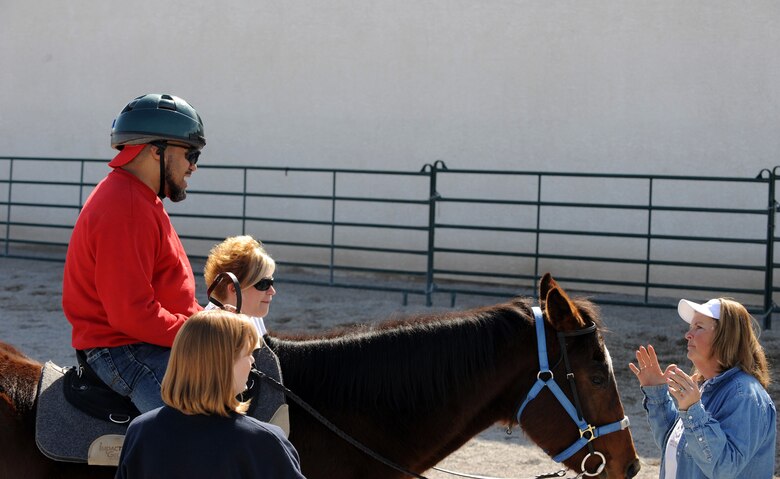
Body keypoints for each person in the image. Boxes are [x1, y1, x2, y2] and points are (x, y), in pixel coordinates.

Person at [62, 93, 206, 412]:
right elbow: (131, 314)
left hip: (144, 339)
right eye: (191, 154)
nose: (194, 166)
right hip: (123, 349)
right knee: (197, 429)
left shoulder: (139, 198)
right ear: (157, 151)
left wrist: (205, 319)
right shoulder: (126, 208)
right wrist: (199, 333)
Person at [115, 309, 306, 479]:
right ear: (223, 366)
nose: (252, 363)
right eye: (248, 354)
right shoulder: (264, 442)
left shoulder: (140, 432)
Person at [629, 298, 776, 478]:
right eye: (691, 327)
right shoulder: (707, 387)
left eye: (699, 327)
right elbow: (677, 447)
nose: (688, 334)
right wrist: (656, 395)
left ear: (725, 336)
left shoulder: (745, 395)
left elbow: (724, 467)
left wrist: (692, 411)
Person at [203, 235, 277, 335]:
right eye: (264, 284)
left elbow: (269, 346)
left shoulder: (249, 313)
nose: (272, 291)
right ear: (234, 289)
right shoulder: (216, 331)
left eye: (271, 282)